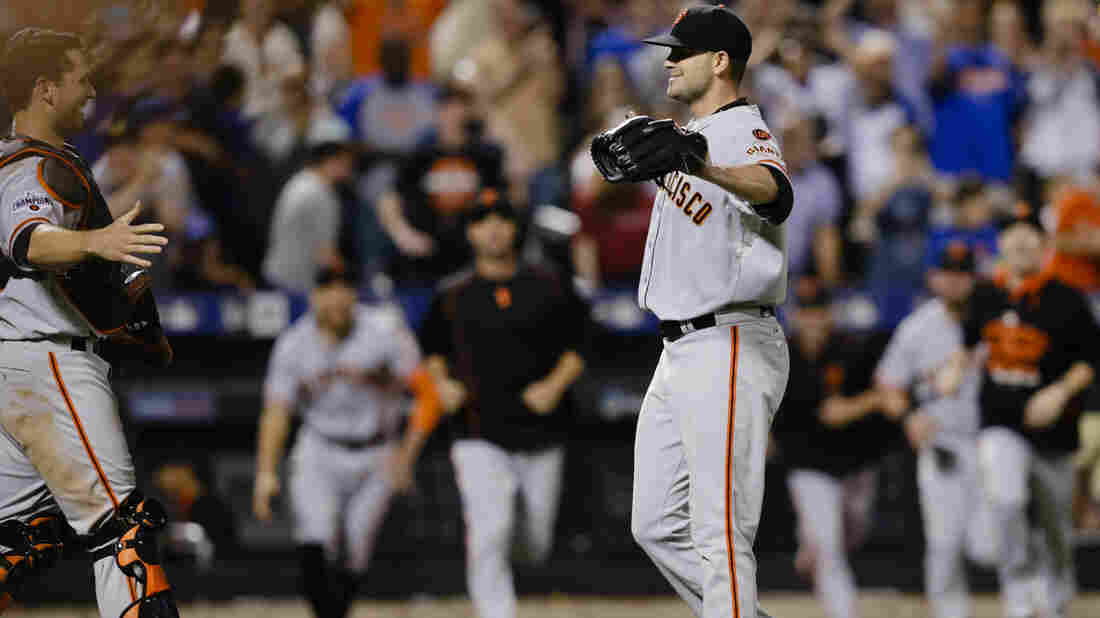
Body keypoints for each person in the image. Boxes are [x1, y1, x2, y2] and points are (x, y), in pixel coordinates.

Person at [0, 28, 178, 616]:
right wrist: (98, 240)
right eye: (81, 78)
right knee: (122, 532)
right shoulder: (31, 165)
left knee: (20, 540)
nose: (91, 90)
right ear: (47, 89)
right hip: (46, 361)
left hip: (16, 363)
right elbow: (29, 240)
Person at [624, 7, 794, 618]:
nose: (668, 61)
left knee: (719, 536)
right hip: (680, 350)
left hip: (729, 341)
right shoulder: (689, 132)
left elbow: (775, 189)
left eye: (681, 51)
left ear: (720, 62)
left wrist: (703, 166)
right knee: (654, 523)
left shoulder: (738, 128)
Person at [419, 191, 587, 618]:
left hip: (540, 432)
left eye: (501, 219)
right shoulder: (452, 293)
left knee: (535, 542)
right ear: (471, 231)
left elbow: (580, 345)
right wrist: (441, 383)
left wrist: (553, 385)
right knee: (489, 529)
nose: (492, 228)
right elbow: (432, 349)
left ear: (515, 228)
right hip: (478, 431)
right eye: (482, 220)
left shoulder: (549, 283)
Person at [252, 263, 442, 618]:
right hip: (319, 447)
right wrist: (265, 473)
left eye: (345, 287)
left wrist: (407, 455)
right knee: (316, 536)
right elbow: (276, 412)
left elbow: (428, 395)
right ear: (313, 296)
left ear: (355, 294)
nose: (337, 296)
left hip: (378, 450)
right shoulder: (294, 344)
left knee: (356, 549)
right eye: (327, 287)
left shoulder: (385, 332)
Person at [939, 212, 1100, 618]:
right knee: (1006, 500)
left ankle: (1057, 588)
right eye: (1013, 235)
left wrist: (1058, 393)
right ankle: (1019, 586)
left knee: (1057, 526)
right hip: (1001, 423)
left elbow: (1090, 361)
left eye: (1031, 236)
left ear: (1045, 247)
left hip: (1054, 431)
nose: (1022, 242)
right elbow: (969, 341)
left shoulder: (1068, 297)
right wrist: (955, 369)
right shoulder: (985, 295)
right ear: (1001, 245)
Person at [875, 244, 996, 618]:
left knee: (988, 546)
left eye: (963, 273)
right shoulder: (918, 327)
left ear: (975, 278)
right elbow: (888, 386)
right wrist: (910, 416)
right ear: (934, 278)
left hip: (993, 441)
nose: (956, 281)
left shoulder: (997, 321)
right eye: (949, 273)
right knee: (944, 542)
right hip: (942, 442)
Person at [770, 279, 897, 618]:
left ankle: (809, 545)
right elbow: (826, 413)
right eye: (806, 312)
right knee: (830, 550)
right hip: (808, 466)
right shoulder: (780, 354)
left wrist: (867, 402)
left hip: (854, 466)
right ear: (794, 315)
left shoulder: (854, 350)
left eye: (819, 312)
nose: (812, 320)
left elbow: (885, 393)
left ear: (830, 314)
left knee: (849, 537)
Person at [262, 141, 358, 295]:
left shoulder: (298, 182)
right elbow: (326, 254)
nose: (349, 171)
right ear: (331, 161)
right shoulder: (321, 194)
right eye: (346, 164)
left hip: (276, 272)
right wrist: (352, 279)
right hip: (295, 283)